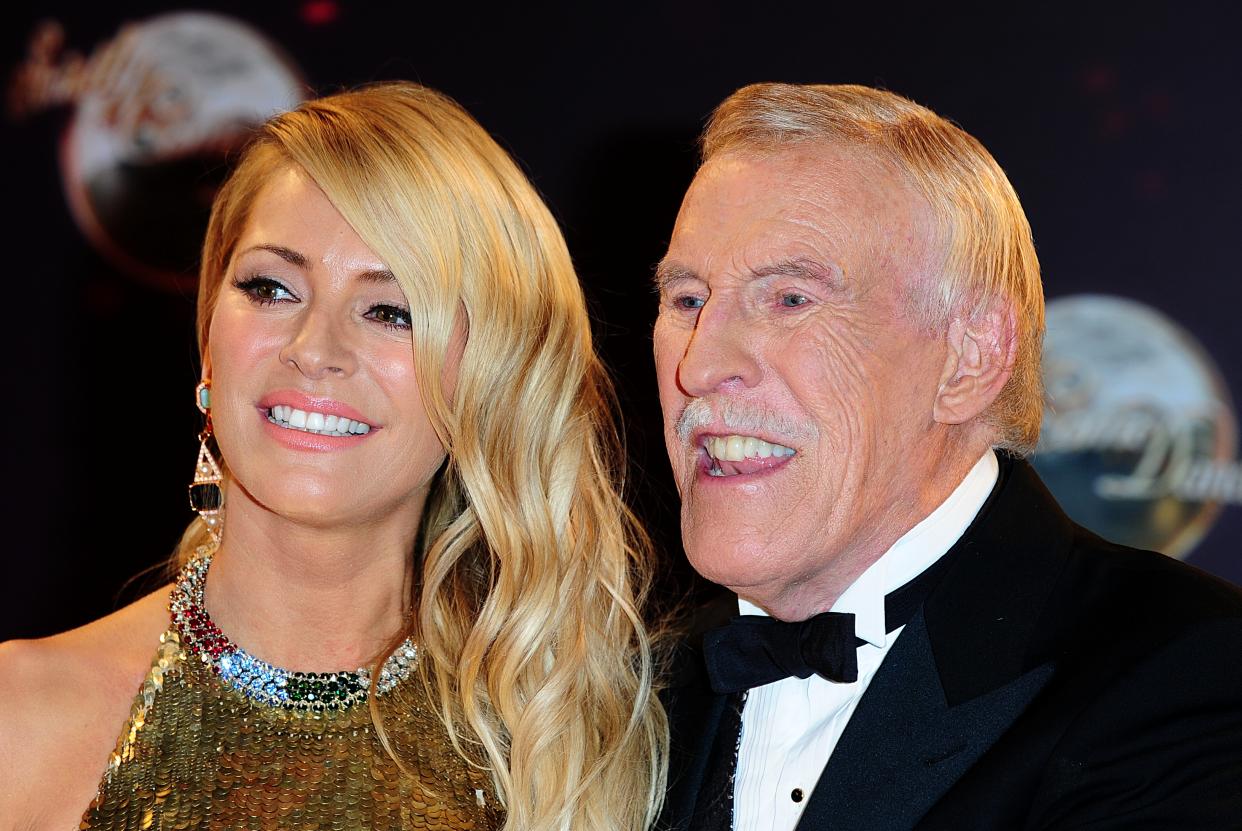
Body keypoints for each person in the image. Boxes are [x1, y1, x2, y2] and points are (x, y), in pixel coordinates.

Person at [0, 82, 666, 830]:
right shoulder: (17, 719)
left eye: (390, 310)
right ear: (209, 338)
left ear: (488, 378)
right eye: (272, 287)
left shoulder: (568, 751)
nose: (314, 350)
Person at [653, 83, 1242, 830]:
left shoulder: (1185, 675)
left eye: (790, 298)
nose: (700, 368)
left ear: (970, 356)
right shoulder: (620, 697)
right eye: (687, 300)